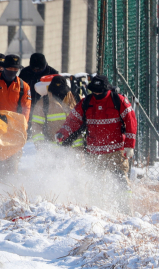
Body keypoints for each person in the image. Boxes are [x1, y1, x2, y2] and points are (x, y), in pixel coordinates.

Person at [55, 75, 137, 212]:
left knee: (121, 182)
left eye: (100, 91)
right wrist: (63, 132)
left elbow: (131, 122)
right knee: (94, 184)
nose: (97, 94)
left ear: (107, 89)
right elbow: (73, 120)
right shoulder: (86, 102)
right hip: (94, 152)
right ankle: (97, 211)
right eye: (95, 91)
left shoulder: (119, 100)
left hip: (116, 151)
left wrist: (129, 145)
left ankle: (126, 213)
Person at [30, 75, 81, 150]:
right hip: (53, 151)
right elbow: (36, 125)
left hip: (77, 150)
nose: (59, 94)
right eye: (56, 92)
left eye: (62, 91)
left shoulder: (77, 98)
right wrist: (40, 144)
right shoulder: (43, 103)